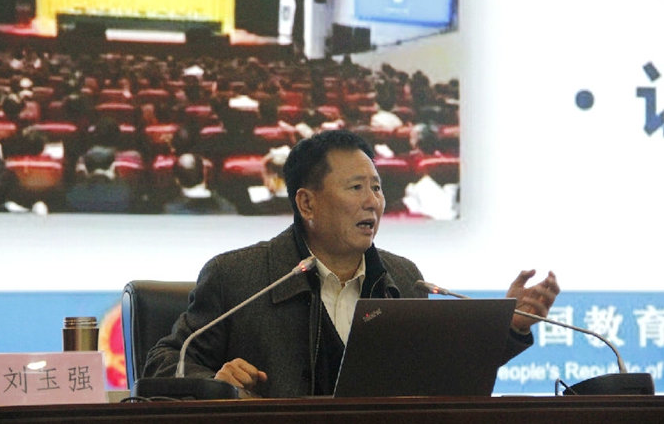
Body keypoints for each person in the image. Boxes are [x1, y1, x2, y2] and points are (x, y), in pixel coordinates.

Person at [143, 129, 560, 398]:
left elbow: (438, 376)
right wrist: (214, 383)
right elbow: (163, 362)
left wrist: (509, 328)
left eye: (377, 188)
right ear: (307, 203)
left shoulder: (403, 278)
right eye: (356, 187)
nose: (372, 202)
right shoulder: (239, 276)